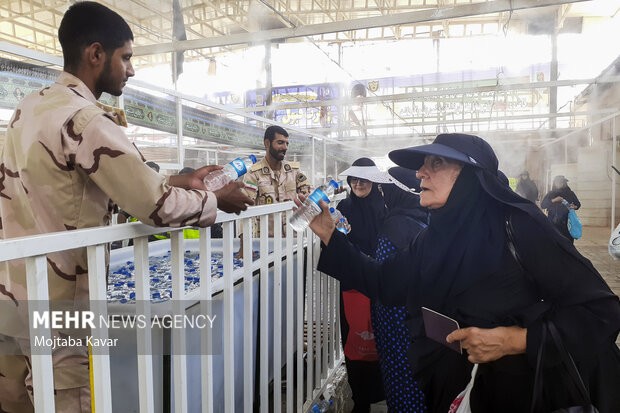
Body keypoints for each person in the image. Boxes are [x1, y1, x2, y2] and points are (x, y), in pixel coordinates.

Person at [0, 3, 253, 412]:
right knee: (68, 400)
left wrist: (178, 179)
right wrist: (213, 199)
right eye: (127, 57)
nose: (131, 70)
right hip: (61, 307)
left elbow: (84, 182)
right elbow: (156, 207)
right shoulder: (86, 119)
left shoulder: (28, 109)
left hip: (13, 298)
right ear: (96, 54)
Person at [299, 133, 619, 413]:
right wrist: (330, 235)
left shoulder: (520, 227)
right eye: (424, 163)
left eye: (436, 164)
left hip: (531, 390)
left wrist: (516, 339)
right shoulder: (434, 237)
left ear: (470, 176)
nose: (420, 172)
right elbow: (385, 281)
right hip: (464, 388)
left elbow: (600, 310)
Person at [370, 167, 428, 412]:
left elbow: (383, 275)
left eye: (385, 190)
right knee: (418, 373)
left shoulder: (393, 226)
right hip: (418, 316)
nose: (383, 195)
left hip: (394, 319)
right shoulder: (424, 217)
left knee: (399, 375)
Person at [336, 158, 386, 413]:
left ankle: (384, 391)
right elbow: (339, 242)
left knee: (381, 338)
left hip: (380, 281)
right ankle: (361, 399)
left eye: (364, 178)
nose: (358, 183)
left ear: (374, 180)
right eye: (354, 179)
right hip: (353, 282)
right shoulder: (344, 206)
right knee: (353, 339)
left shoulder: (385, 206)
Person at [238, 125, 312, 256]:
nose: (285, 147)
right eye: (280, 142)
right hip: (266, 244)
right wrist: (245, 245)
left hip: (293, 241)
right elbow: (244, 208)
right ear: (267, 143)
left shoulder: (294, 171)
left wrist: (330, 193)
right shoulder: (254, 174)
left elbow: (309, 192)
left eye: (286, 143)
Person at [541, 175, 581, 243]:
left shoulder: (570, 193)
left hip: (566, 223)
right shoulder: (550, 194)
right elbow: (543, 205)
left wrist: (573, 207)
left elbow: (578, 205)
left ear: (564, 183)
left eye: (561, 183)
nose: (559, 184)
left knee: (567, 242)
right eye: (557, 182)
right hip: (553, 222)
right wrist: (554, 200)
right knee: (554, 243)